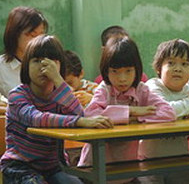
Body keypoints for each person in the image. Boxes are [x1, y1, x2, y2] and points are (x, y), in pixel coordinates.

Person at [0, 34, 113, 184]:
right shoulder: (18, 95)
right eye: (36, 61)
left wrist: (59, 80)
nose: (44, 67)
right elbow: (37, 118)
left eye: (51, 61)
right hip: (20, 165)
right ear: (26, 67)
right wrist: (80, 121)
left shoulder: (61, 95)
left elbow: (79, 113)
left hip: (53, 166)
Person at [78, 36, 175, 168]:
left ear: (137, 69)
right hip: (96, 164)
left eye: (128, 71)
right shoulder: (105, 89)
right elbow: (90, 114)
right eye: (115, 72)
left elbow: (168, 112)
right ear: (106, 71)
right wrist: (131, 111)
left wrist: (136, 118)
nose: (122, 78)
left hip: (128, 164)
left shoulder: (141, 90)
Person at [138, 39, 189, 184]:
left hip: (181, 159)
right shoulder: (152, 87)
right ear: (159, 68)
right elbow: (164, 110)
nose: (178, 68)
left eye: (184, 64)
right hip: (150, 161)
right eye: (171, 63)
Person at [0, 6, 49, 98]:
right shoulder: (2, 67)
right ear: (14, 35)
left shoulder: (48, 64)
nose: (38, 41)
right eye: (32, 35)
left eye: (42, 35)